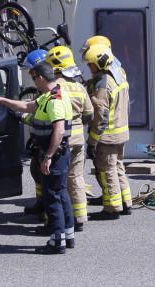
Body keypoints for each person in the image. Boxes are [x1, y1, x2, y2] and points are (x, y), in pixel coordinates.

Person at [0, 61, 75, 254]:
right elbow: (27, 106)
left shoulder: (54, 101)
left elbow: (58, 131)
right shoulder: (51, 96)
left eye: (34, 78)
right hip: (59, 154)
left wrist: (49, 156)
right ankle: (68, 235)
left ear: (41, 78)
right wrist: (2, 100)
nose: (34, 82)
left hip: (55, 155)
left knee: (53, 197)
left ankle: (57, 241)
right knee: (61, 193)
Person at [46, 45, 94, 232]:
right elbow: (89, 113)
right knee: (76, 177)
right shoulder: (79, 87)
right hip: (78, 139)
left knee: (56, 182)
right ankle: (80, 218)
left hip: (60, 139)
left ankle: (56, 221)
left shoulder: (52, 89)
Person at [83, 43, 131, 220]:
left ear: (99, 63)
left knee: (106, 171)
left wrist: (92, 141)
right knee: (118, 168)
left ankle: (111, 208)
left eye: (91, 64)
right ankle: (126, 203)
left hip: (108, 136)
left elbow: (101, 116)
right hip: (121, 133)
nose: (89, 67)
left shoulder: (103, 86)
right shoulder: (118, 75)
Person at [18, 49, 49, 218]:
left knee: (45, 176)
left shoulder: (49, 90)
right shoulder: (41, 88)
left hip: (48, 141)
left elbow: (39, 117)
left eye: (32, 71)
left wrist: (22, 117)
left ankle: (48, 213)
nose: (30, 74)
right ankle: (40, 202)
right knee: (36, 171)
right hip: (40, 139)